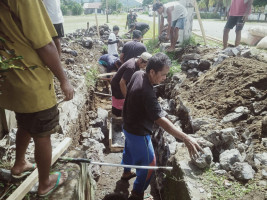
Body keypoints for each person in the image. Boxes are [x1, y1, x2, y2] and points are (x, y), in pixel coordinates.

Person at [0, 0, 74, 197]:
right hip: (33, 81)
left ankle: (19, 164)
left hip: (13, 78)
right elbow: (45, 44)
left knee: (25, 122)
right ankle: (44, 183)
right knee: (43, 133)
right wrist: (64, 80)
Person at [121, 53, 203, 200]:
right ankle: (137, 193)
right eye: (163, 75)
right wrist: (186, 138)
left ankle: (126, 172)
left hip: (127, 123)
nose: (165, 78)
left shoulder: (138, 74)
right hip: (138, 132)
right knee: (150, 164)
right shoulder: (146, 93)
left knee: (128, 149)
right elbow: (162, 121)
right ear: (152, 72)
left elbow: (130, 92)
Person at [111, 52, 152, 117]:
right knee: (120, 100)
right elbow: (122, 83)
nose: (144, 67)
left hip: (121, 82)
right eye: (144, 65)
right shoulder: (131, 67)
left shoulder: (135, 61)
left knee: (121, 101)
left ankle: (118, 113)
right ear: (140, 60)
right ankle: (118, 117)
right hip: (117, 85)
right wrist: (127, 97)